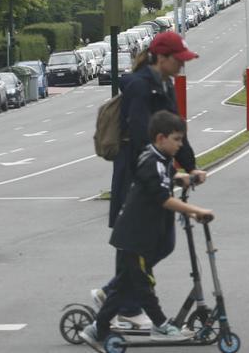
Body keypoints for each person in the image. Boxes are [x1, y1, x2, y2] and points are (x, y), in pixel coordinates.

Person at [92, 32, 207, 328]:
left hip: (157, 170)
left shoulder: (164, 85)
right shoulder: (140, 87)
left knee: (163, 242)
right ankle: (127, 306)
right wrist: (164, 173)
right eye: (177, 60)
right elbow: (144, 136)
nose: (181, 65)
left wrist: (192, 167)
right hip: (135, 171)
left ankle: (111, 292)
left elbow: (177, 130)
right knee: (133, 241)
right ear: (161, 58)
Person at [80, 111, 214, 351]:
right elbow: (162, 197)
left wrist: (188, 177)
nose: (180, 144)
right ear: (161, 138)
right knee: (143, 285)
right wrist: (194, 210)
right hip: (136, 237)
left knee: (124, 286)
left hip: (134, 235)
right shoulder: (151, 161)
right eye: (177, 139)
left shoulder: (159, 159)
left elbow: (168, 178)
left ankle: (96, 329)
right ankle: (161, 325)